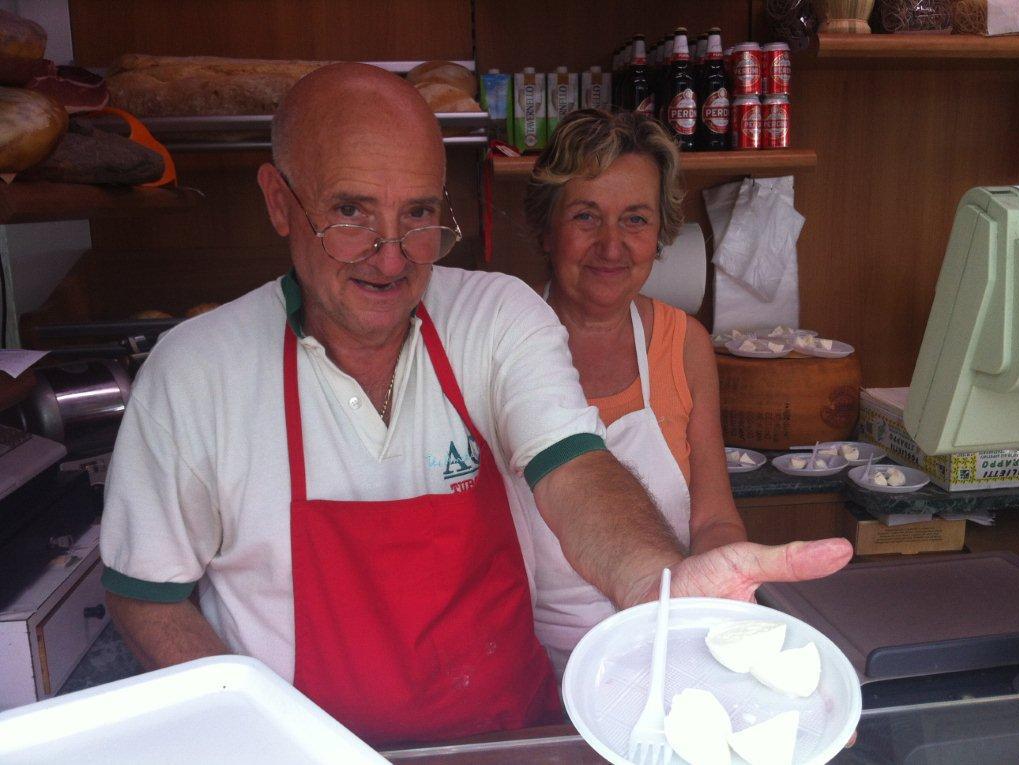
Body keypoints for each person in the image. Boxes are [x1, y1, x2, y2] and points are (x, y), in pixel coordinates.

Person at [100, 63, 853, 746]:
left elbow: (576, 471)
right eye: (352, 213)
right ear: (279, 202)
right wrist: (257, 735)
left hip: (505, 738)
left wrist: (657, 588)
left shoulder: (497, 316)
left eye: (419, 215)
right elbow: (147, 597)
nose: (391, 257)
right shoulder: (195, 373)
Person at [516, 109, 753, 673]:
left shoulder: (684, 343)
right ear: (548, 230)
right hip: (532, 653)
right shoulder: (505, 335)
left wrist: (725, 626)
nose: (611, 246)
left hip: (664, 640)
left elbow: (713, 517)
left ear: (661, 233)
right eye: (585, 217)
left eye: (635, 219)